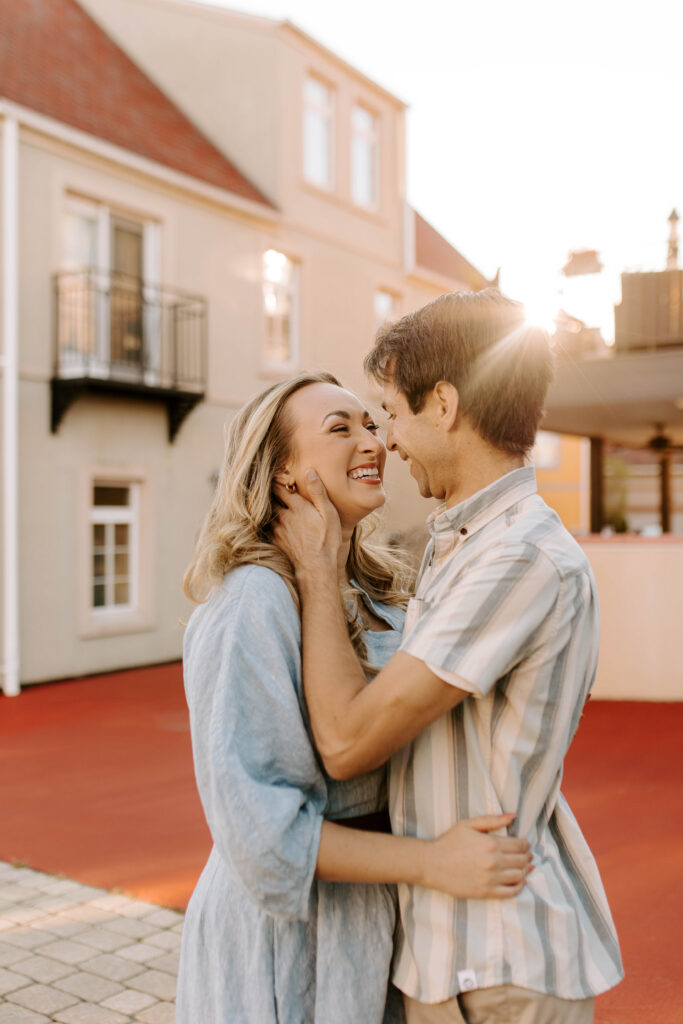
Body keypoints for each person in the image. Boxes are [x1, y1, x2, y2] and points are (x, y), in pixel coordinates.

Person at [274, 293, 624, 1024]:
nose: (388, 442)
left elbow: (347, 741)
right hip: (451, 961)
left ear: (442, 403)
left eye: (389, 413)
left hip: (498, 966)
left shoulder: (517, 557)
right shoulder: (464, 544)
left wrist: (316, 566)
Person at [175, 370, 533, 1024]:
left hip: (377, 927)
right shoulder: (251, 603)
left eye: (370, 423)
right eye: (339, 429)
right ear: (283, 473)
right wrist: (432, 862)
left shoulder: (382, 599)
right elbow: (260, 837)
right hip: (286, 941)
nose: (372, 441)